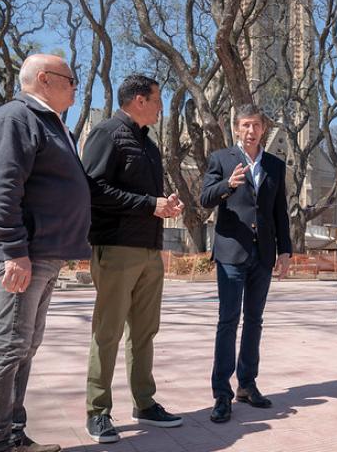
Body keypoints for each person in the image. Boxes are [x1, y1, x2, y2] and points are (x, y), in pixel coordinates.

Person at [0, 54, 91, 452]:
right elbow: (0, 188)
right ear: (45, 78)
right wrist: (13, 251)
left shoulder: (51, 122)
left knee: (25, 347)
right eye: (71, 80)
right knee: (10, 346)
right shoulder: (17, 117)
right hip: (23, 255)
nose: (76, 87)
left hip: (44, 255)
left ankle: (13, 434)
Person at [81, 75, 185, 443]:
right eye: (158, 100)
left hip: (149, 249)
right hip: (116, 247)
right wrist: (148, 204)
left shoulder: (149, 145)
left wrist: (164, 205)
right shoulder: (107, 133)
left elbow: (145, 199)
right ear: (140, 100)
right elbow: (92, 188)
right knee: (108, 331)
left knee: (144, 331)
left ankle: (145, 402)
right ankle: (98, 410)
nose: (161, 107)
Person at [200, 105, 292, 423]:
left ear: (263, 128)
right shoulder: (222, 159)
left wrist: (285, 251)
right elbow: (205, 198)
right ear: (237, 128)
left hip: (263, 254)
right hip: (231, 253)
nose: (250, 130)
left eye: (255, 125)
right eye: (244, 125)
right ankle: (222, 394)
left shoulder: (275, 165)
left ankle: (247, 384)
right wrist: (229, 185)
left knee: (255, 321)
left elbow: (280, 211)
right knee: (228, 321)